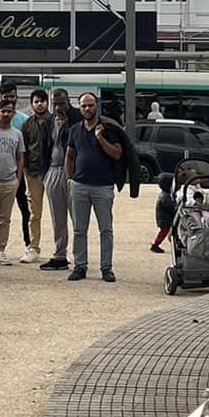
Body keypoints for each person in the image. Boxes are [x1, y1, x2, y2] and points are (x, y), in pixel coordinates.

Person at [65, 91, 122, 282]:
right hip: (79, 186)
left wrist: (101, 139)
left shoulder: (108, 128)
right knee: (79, 229)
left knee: (105, 229)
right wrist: (69, 179)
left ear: (96, 105)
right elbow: (70, 156)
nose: (87, 109)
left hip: (103, 187)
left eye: (90, 105)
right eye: (83, 106)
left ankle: (107, 268)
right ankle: (80, 266)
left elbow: (117, 154)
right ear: (79, 108)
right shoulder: (74, 130)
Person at [0, 95, 24, 265]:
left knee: (5, 219)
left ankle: (1, 250)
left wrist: (18, 179)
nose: (6, 114)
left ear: (13, 113)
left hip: (10, 182)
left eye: (9, 111)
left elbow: (20, 157)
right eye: (3, 111)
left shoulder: (17, 134)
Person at [20, 88, 55, 264]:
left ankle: (61, 250)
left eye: (42, 101)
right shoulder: (27, 124)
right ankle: (33, 247)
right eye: (36, 101)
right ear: (31, 104)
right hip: (33, 173)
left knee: (59, 212)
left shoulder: (55, 121)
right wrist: (25, 170)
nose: (39, 104)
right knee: (34, 213)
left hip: (53, 171)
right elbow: (23, 149)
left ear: (47, 102)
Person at [41, 87, 74, 270]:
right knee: (57, 217)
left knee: (77, 216)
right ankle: (60, 254)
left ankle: (80, 257)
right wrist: (44, 174)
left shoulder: (76, 117)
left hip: (72, 172)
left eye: (61, 103)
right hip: (53, 170)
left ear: (68, 102)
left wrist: (66, 127)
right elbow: (44, 146)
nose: (58, 107)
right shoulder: (48, 121)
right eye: (54, 104)